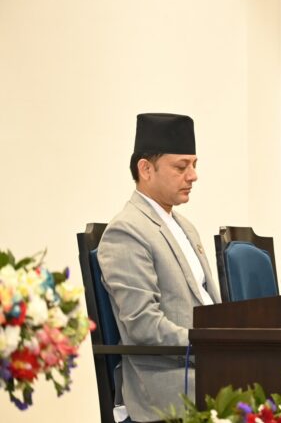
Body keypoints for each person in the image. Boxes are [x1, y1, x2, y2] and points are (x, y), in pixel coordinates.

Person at [98, 113, 220, 422]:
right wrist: (212, 345)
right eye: (181, 167)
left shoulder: (186, 227)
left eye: (195, 165)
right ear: (146, 169)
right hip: (169, 380)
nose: (193, 176)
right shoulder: (127, 230)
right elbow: (143, 326)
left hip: (207, 364)